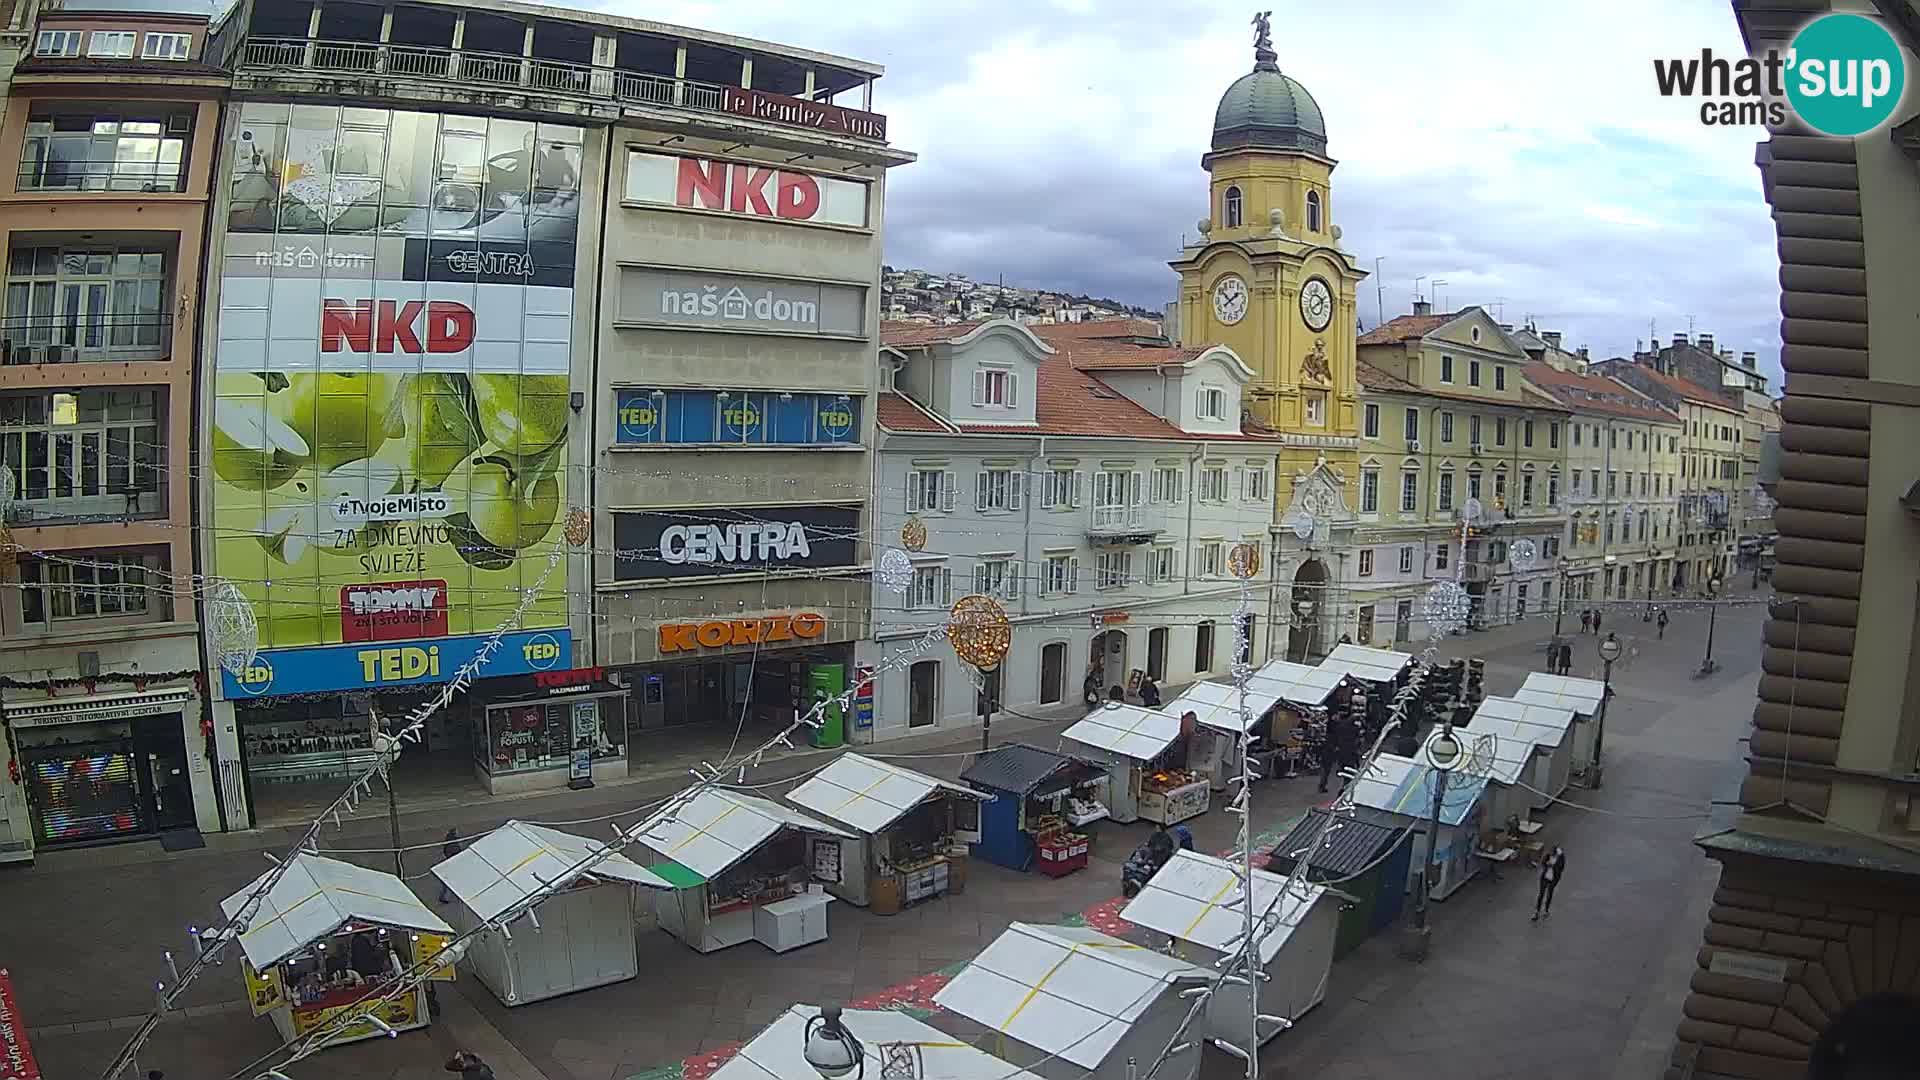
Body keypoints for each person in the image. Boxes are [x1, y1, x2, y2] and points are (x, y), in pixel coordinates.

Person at [1533, 845, 1566, 921]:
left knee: (1549, 894)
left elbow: (1561, 868)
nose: (1551, 855)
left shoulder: (1561, 858)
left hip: (1553, 879)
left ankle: (1546, 910)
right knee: (1541, 894)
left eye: (1552, 854)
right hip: (1545, 877)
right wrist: (1546, 864)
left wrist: (1553, 866)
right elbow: (1543, 862)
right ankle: (1536, 911)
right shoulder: (1548, 855)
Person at [438, 827, 462, 904]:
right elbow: (456, 852)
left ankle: (444, 896)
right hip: (453, 863)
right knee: (451, 880)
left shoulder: (448, 841)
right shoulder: (454, 843)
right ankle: (445, 897)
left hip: (449, 862)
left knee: (447, 880)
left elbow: (446, 851)